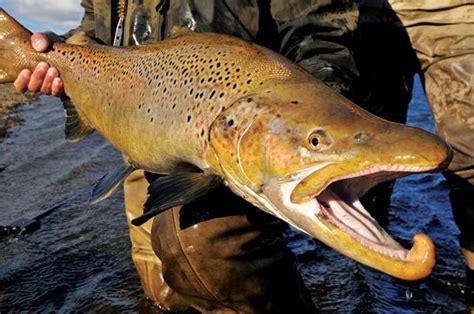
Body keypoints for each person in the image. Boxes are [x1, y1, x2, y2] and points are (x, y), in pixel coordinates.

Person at [14, 0, 474, 310]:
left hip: (228, 105)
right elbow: (99, 31)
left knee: (201, 248)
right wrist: (63, 57)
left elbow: (323, 26)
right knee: (163, 281)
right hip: (143, 110)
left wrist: (324, 109)